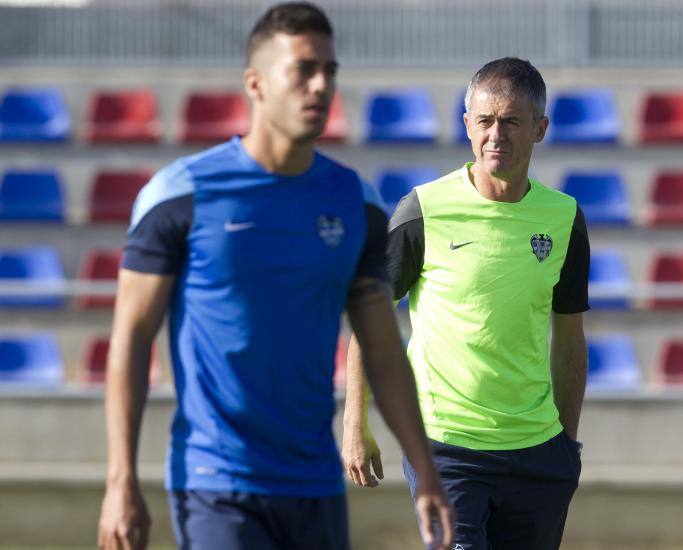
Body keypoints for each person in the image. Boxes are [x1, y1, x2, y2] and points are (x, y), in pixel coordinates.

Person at [96, 3, 453, 549]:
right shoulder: (179, 196)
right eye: (303, 70)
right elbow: (130, 338)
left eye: (329, 71)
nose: (320, 86)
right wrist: (120, 478)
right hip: (216, 484)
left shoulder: (356, 204)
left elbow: (382, 348)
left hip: (315, 485)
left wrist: (425, 469)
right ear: (256, 84)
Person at [342, 57, 590, 550]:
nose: (495, 134)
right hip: (446, 447)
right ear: (467, 125)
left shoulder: (564, 218)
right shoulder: (422, 211)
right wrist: (355, 424)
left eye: (511, 121)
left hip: (537, 452)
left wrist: (566, 447)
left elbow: (568, 338)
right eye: (484, 121)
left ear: (540, 129)